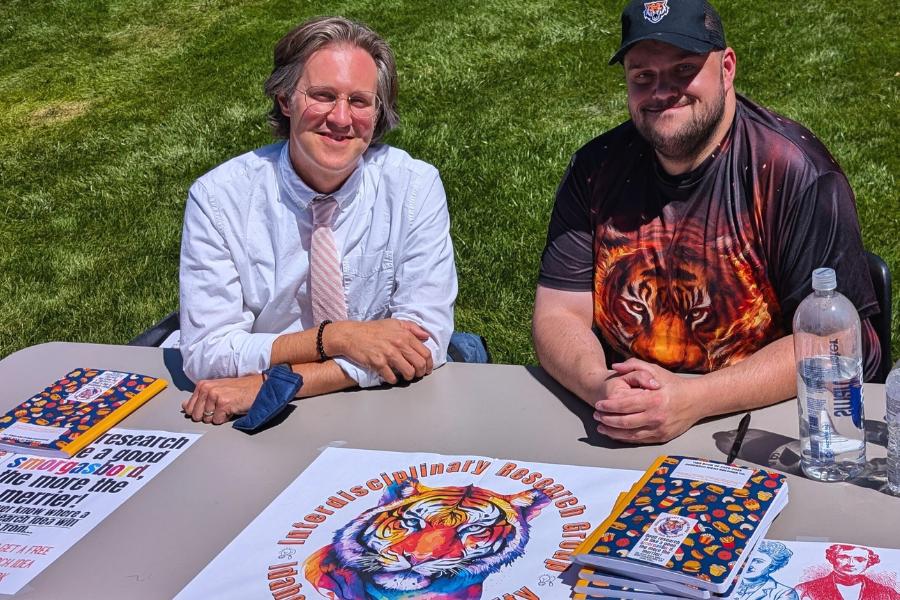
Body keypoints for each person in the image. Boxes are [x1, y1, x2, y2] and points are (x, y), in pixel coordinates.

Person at [532, 0, 880, 443]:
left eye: (683, 69)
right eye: (643, 76)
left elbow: (834, 340)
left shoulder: (793, 173)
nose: (662, 91)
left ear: (727, 67)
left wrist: (693, 399)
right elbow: (558, 312)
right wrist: (602, 387)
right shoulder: (595, 168)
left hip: (766, 428)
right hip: (624, 422)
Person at [179, 17, 456, 424]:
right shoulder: (219, 199)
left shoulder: (414, 188)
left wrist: (275, 384)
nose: (341, 118)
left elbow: (425, 341)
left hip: (382, 410)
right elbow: (206, 353)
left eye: (359, 101)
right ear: (284, 99)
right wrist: (339, 337)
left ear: (378, 113)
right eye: (323, 96)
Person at [795, 545, 900, 600]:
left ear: (869, 562)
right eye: (844, 557)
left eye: (860, 559)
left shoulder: (888, 594)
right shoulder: (804, 590)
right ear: (832, 558)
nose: (851, 563)